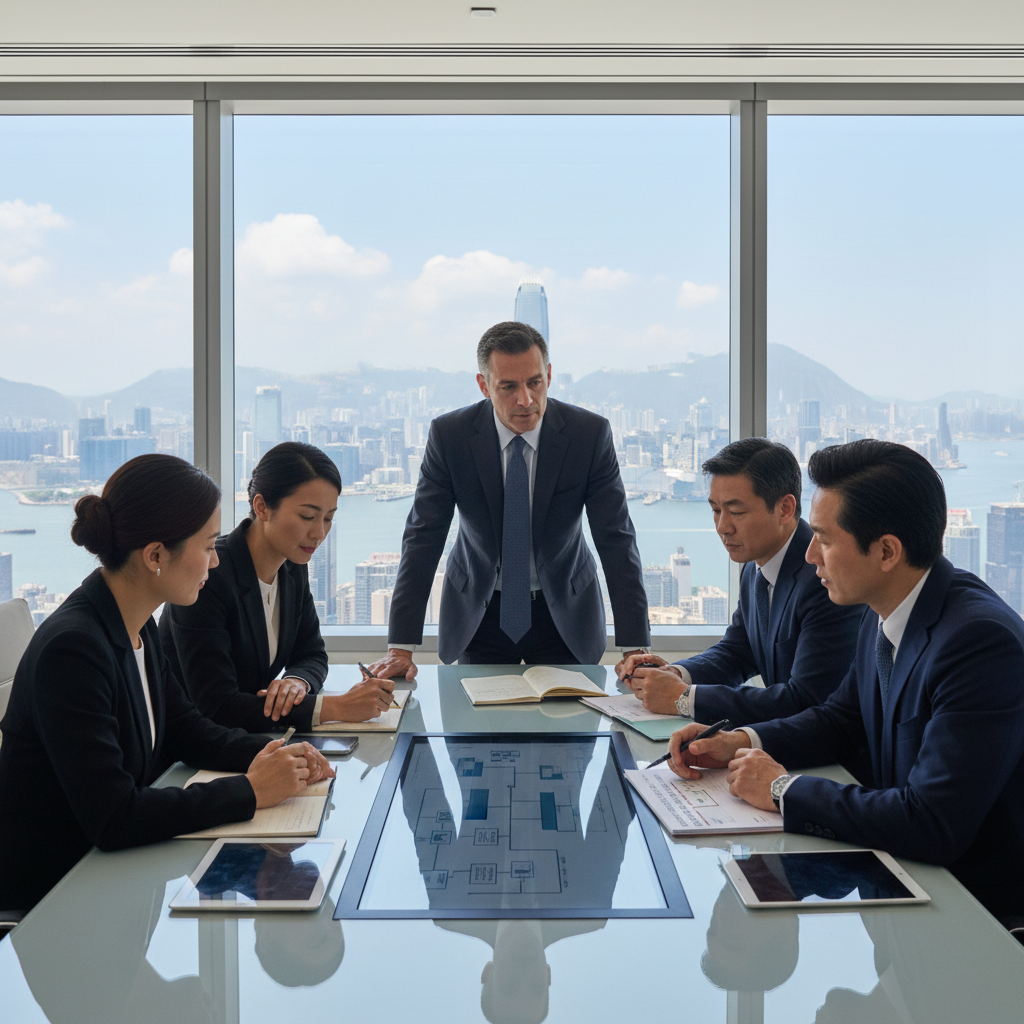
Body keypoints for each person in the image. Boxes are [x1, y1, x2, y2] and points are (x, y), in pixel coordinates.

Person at [666, 439, 1024, 919]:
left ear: (887, 551)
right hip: (900, 884)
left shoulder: (979, 643)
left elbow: (933, 821)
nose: (810, 555)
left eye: (825, 539)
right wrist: (737, 742)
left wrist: (782, 789)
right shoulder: (884, 608)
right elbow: (840, 720)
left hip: (976, 916)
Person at [0, 454, 334, 911]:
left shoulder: (137, 624)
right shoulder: (73, 650)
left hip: (117, 880)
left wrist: (277, 755)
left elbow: (187, 730)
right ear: (156, 555)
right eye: (209, 546)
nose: (215, 562)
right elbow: (114, 817)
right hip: (56, 898)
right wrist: (252, 790)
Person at [369, 321, 650, 677]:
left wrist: (634, 646)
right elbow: (423, 537)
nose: (526, 400)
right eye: (509, 386)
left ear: (549, 375)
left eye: (535, 382)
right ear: (484, 385)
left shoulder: (588, 435)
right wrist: (400, 646)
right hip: (480, 613)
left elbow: (616, 539)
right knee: (475, 715)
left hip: (564, 613)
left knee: (570, 716)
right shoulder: (451, 436)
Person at [617, 436, 865, 727]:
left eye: (736, 512)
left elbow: (806, 700)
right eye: (715, 510)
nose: (723, 527)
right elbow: (737, 652)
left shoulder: (824, 578)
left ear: (785, 508)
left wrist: (685, 698)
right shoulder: (755, 565)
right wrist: (673, 674)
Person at [161, 442, 394, 732]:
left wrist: (296, 682)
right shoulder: (210, 575)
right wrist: (337, 707)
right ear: (262, 507)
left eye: (328, 518)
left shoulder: (292, 567)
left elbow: (312, 653)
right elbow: (217, 706)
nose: (319, 533)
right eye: (307, 517)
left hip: (252, 738)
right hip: (189, 747)